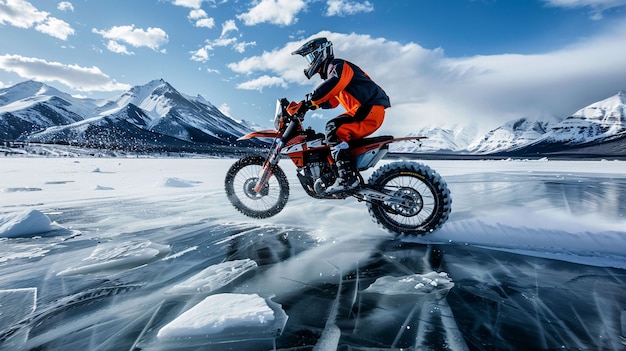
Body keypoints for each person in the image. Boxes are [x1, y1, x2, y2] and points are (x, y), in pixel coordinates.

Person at [291, 37, 391, 194]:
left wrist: (311, 98)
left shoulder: (338, 65)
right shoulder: (333, 74)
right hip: (366, 110)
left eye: (310, 57)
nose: (310, 64)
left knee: (333, 128)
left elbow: (334, 83)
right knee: (328, 138)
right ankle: (335, 172)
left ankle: (346, 179)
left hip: (369, 108)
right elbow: (331, 102)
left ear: (321, 53)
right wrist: (307, 106)